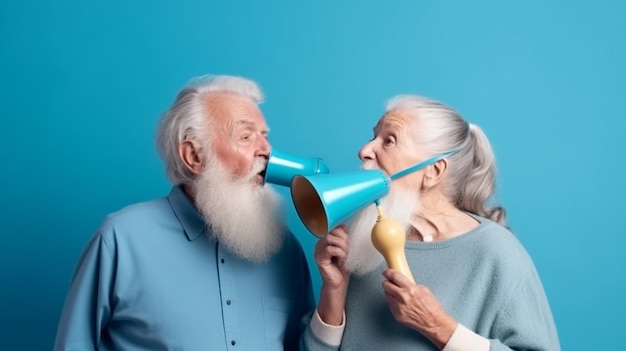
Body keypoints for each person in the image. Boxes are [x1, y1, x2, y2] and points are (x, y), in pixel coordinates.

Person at [54, 74, 315, 350]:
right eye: (246, 136)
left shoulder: (285, 249)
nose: (267, 151)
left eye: (265, 136)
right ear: (193, 156)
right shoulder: (120, 240)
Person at [300, 95, 560, 350]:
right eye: (372, 137)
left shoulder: (495, 251)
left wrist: (440, 327)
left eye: (389, 141)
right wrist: (333, 291)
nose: (365, 151)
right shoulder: (360, 243)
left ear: (433, 171)